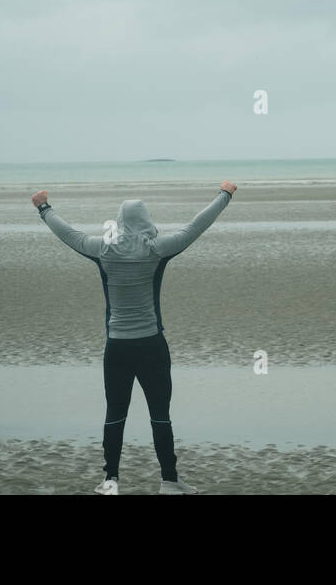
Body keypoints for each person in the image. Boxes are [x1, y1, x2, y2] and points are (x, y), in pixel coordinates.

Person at [30, 182, 236, 495]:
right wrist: (225, 195)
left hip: (117, 348)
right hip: (152, 345)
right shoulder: (159, 248)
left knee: (115, 414)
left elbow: (69, 234)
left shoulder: (103, 249)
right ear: (147, 221)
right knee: (160, 415)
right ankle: (169, 481)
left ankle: (111, 480)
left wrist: (44, 208)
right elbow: (196, 225)